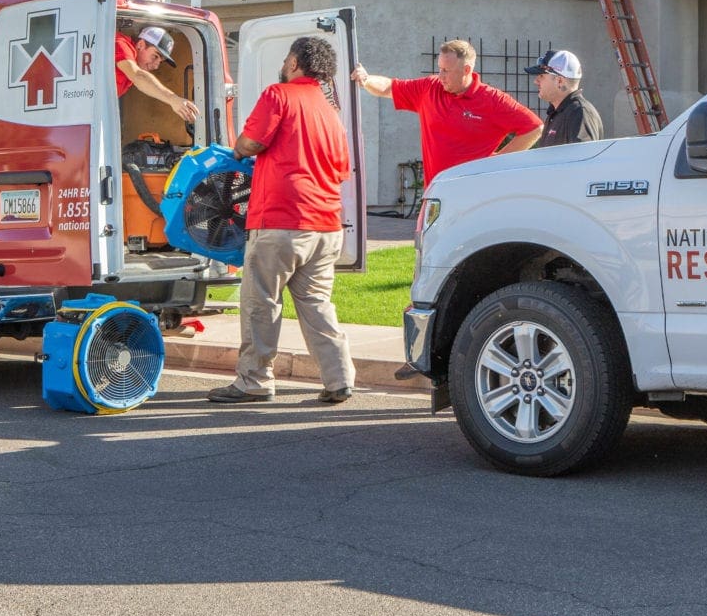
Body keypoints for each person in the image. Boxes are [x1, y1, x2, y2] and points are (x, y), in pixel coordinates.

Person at [207, 36, 355, 405]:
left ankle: (254, 382)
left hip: (281, 220)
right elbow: (340, 170)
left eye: (287, 58)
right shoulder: (329, 110)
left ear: (294, 62)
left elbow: (251, 144)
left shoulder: (279, 95)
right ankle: (339, 379)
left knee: (261, 303)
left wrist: (239, 147)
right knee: (317, 303)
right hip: (325, 225)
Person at [351, 39, 542, 188]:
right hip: (435, 193)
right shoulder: (430, 87)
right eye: (439, 69)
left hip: (473, 196)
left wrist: (497, 161)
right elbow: (389, 88)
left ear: (466, 70)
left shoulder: (492, 100)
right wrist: (366, 79)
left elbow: (534, 128)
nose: (440, 76)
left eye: (446, 71)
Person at [115, 25, 198, 123]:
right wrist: (173, 99)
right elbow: (138, 75)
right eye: (155, 56)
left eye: (160, 61)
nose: (156, 66)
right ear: (140, 45)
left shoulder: (134, 63)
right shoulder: (120, 44)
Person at [525, 49, 603, 147]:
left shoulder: (579, 113)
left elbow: (582, 160)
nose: (536, 81)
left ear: (559, 81)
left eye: (541, 76)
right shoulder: (558, 112)